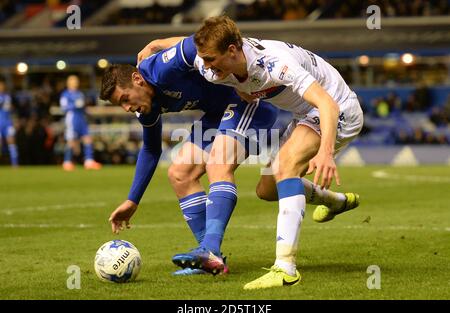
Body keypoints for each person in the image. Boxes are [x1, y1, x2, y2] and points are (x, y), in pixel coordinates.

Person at [138, 15, 363, 289]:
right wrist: (159, 43)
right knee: (267, 190)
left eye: (211, 60)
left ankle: (285, 268)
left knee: (284, 168)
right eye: (204, 60)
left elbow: (327, 104)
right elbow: (189, 50)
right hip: (303, 115)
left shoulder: (275, 64)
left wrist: (326, 152)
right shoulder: (214, 64)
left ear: (232, 50)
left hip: (338, 110)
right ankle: (334, 201)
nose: (206, 68)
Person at [100, 36, 279, 276]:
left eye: (125, 99)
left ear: (137, 79)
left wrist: (157, 44)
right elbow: (151, 150)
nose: (126, 108)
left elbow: (201, 41)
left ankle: (210, 250)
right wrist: (133, 200)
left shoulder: (159, 68)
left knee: (218, 164)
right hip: (218, 114)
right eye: (119, 106)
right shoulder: (145, 107)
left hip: (247, 100)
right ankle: (210, 258)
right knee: (179, 174)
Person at [60, 75, 102, 171]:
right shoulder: (66, 94)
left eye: (76, 81)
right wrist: (74, 105)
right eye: (73, 81)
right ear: (68, 83)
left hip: (81, 118)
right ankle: (67, 162)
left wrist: (88, 113)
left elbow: (83, 107)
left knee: (87, 139)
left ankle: (89, 161)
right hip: (72, 118)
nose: (75, 82)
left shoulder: (80, 94)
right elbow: (64, 107)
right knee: (71, 141)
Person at [0, 79, 19, 167]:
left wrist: (15, 120)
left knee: (11, 141)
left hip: (7, 123)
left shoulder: (8, 97)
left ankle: (15, 163)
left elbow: (12, 109)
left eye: (2, 86)